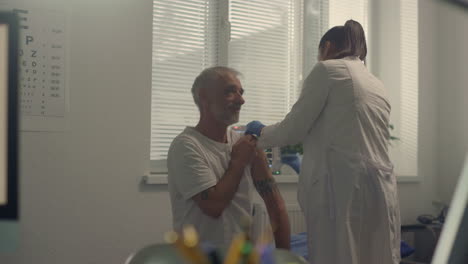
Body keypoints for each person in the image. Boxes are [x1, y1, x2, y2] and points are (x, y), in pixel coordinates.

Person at [246, 20, 401, 264]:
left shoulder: (328, 70)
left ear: (326, 47)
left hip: (342, 188)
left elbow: (293, 130)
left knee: (338, 255)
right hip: (378, 187)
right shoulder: (375, 82)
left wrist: (259, 132)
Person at [167, 66, 290, 250]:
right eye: (230, 92)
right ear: (204, 97)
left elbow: (276, 206)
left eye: (241, 92)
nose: (241, 100)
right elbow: (213, 206)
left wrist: (284, 256)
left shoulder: (247, 146)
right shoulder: (186, 146)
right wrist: (238, 162)